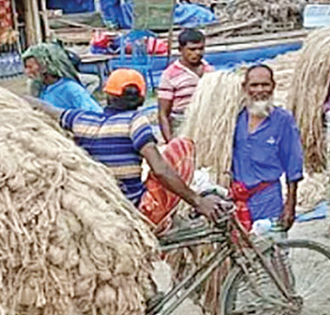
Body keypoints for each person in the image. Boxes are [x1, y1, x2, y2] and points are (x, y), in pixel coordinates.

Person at [35, 69, 231, 221]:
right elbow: (160, 169)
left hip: (95, 204)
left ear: (108, 95)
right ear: (142, 99)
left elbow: (45, 108)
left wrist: (16, 100)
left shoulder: (81, 120)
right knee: (181, 147)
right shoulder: (135, 122)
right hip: (130, 207)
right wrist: (197, 201)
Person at [232, 65, 303, 231]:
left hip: (268, 199)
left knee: (270, 245)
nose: (260, 90)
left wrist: (290, 205)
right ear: (245, 87)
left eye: (265, 85)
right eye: (254, 85)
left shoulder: (283, 120)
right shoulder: (234, 119)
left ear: (273, 86)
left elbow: (293, 164)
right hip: (235, 198)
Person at [156, 28, 213, 144]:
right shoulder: (170, 75)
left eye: (201, 49)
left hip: (206, 123)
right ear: (180, 50)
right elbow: (163, 114)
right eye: (192, 49)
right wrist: (171, 143)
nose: (197, 53)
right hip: (182, 125)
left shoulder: (209, 71)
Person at [23, 42, 101, 112]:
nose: (27, 72)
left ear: (45, 66)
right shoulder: (40, 89)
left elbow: (95, 115)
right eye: (26, 67)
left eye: (30, 67)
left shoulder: (71, 89)